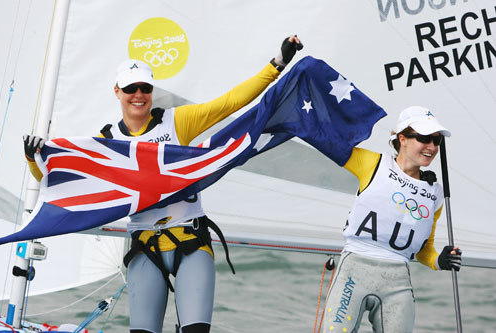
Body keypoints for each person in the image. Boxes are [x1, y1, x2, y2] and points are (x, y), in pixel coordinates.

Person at [24, 35, 303, 333]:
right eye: (131, 88)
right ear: (117, 91)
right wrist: (33, 158)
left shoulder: (177, 122)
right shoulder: (106, 144)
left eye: (145, 87)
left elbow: (230, 102)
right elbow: (64, 189)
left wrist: (278, 64)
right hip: (145, 248)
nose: (139, 94)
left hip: (191, 242)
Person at [322, 106, 462, 333]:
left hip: (397, 282)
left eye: (437, 141)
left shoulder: (434, 194)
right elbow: (327, 142)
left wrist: (440, 261)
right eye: (425, 138)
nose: (432, 147)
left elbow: (424, 252)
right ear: (402, 139)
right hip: (353, 272)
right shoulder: (372, 163)